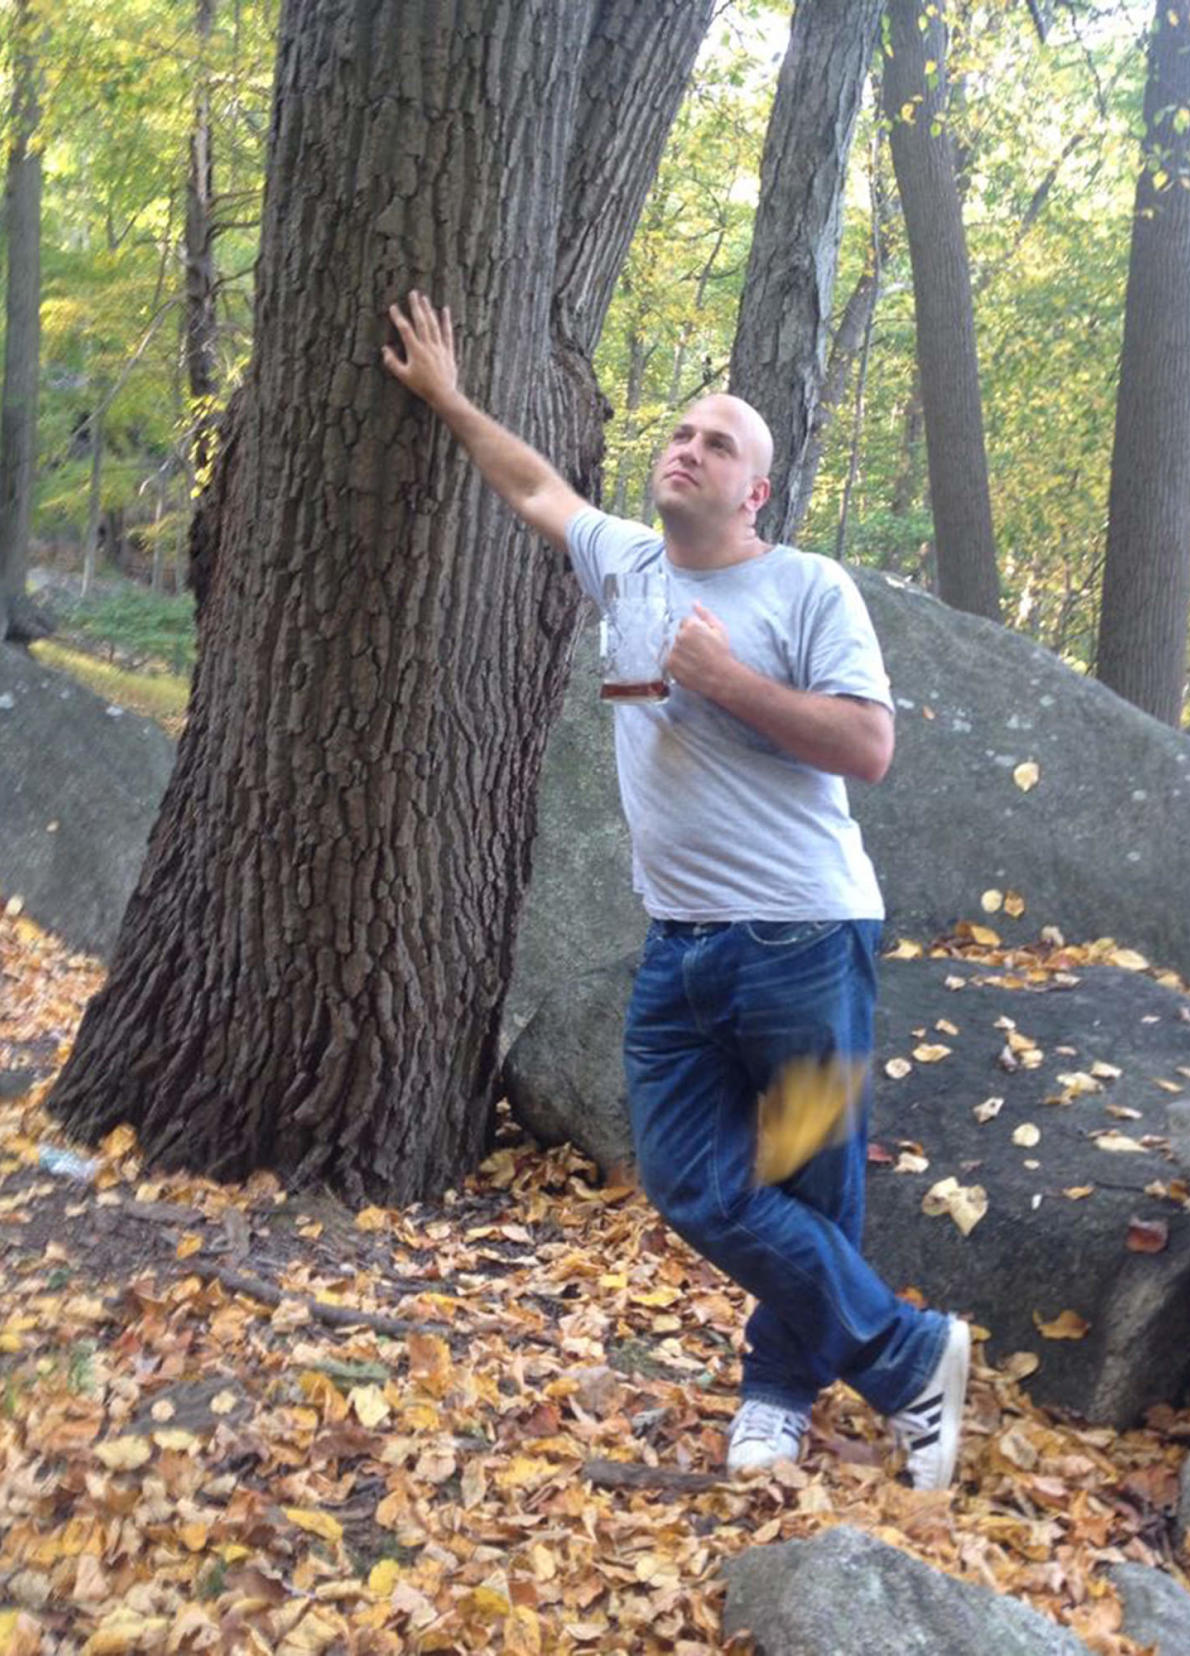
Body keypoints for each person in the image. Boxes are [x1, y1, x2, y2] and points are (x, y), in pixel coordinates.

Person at [381, 290, 970, 1490]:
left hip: (808, 946)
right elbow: (535, 490)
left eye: (719, 445)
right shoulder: (628, 564)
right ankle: (912, 1357)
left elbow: (868, 747)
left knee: (812, 1181)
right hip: (683, 955)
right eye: (684, 431)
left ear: (755, 494)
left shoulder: (809, 590)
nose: (687, 448)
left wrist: (729, 680)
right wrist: (447, 399)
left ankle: (776, 1396)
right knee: (691, 1184)